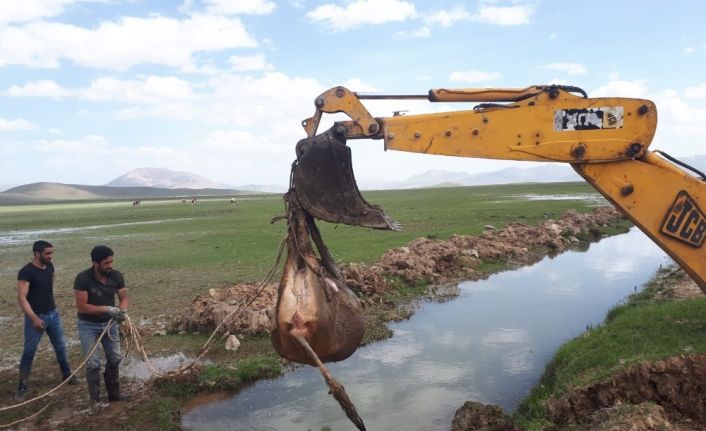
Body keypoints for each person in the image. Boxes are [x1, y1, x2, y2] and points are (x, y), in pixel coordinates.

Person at [15, 240, 76, 402]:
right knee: (29, 352)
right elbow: (22, 298)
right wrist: (34, 318)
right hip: (36, 317)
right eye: (47, 253)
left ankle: (67, 375)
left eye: (52, 253)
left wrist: (52, 308)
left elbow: (49, 286)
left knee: (61, 346)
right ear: (37, 253)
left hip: (53, 314)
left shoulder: (50, 267)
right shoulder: (26, 272)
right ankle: (22, 386)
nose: (51, 256)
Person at [74, 245, 129, 407]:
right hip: (88, 325)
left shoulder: (116, 276)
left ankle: (114, 395)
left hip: (110, 324)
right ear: (95, 263)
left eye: (111, 261)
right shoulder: (83, 279)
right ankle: (95, 399)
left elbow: (124, 297)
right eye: (106, 263)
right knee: (93, 364)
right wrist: (107, 309)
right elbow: (82, 307)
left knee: (115, 358)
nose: (110, 265)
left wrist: (123, 311)